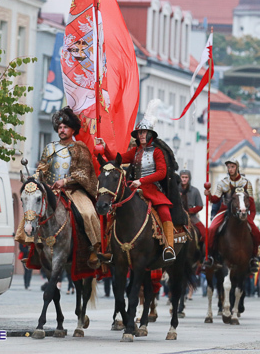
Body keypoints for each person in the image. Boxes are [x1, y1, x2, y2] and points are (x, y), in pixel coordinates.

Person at [96, 100, 178, 262]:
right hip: (134, 188)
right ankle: (110, 249)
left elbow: (161, 173)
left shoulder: (157, 152)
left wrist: (141, 181)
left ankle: (169, 247)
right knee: (115, 211)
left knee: (164, 212)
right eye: (139, 133)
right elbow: (116, 158)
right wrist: (105, 147)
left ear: (149, 134)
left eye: (143, 132)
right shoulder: (135, 151)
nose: (141, 135)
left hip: (152, 189)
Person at [36, 106, 101, 269]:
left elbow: (85, 173)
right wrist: (35, 178)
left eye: (65, 127)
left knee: (88, 213)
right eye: (59, 127)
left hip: (73, 191)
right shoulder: (50, 148)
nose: (62, 130)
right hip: (50, 190)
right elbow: (42, 167)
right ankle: (33, 245)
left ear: (73, 130)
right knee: (31, 210)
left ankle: (94, 248)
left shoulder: (80, 148)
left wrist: (64, 181)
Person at [203, 158, 260, 273]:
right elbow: (216, 199)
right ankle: (210, 256)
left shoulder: (246, 183)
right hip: (225, 210)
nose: (230, 169)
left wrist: (249, 218)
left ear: (237, 167)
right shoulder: (223, 183)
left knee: (255, 232)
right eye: (229, 167)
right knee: (211, 229)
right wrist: (209, 195)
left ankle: (253, 258)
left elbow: (251, 203)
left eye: (232, 166)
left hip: (242, 212)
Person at [179, 170, 206, 244]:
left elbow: (200, 206)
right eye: (182, 177)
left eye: (186, 177)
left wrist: (189, 211)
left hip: (191, 216)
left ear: (189, 178)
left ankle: (201, 249)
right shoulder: (176, 190)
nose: (184, 179)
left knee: (204, 232)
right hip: (178, 215)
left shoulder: (195, 191)